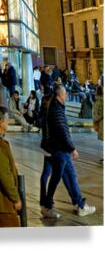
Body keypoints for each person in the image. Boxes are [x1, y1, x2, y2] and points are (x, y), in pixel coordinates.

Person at [44, 83, 96, 217]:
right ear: (60, 94)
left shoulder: (55, 107)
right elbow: (62, 131)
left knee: (68, 177)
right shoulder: (56, 109)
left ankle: (79, 204)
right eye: (65, 93)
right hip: (60, 149)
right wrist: (72, 148)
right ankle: (48, 206)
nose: (66, 95)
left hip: (59, 148)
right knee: (60, 178)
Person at [93, 84, 103, 156]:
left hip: (101, 121)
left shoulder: (100, 101)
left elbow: (101, 112)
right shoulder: (99, 100)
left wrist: (96, 119)